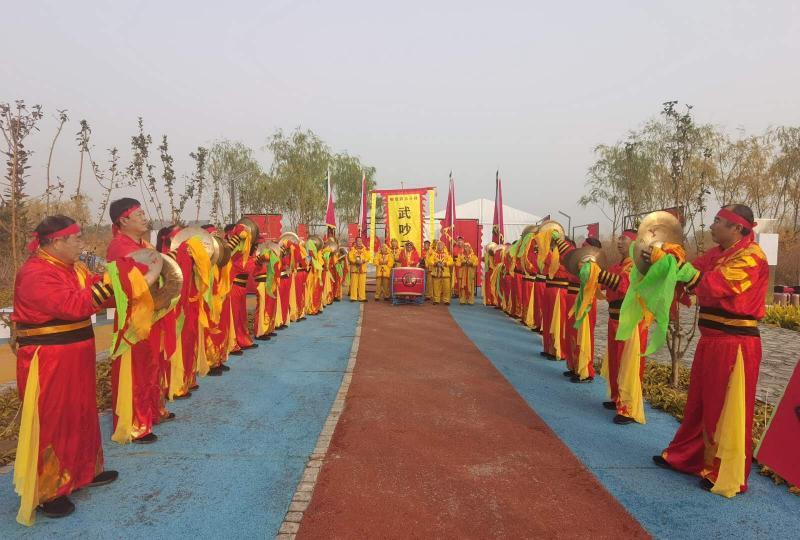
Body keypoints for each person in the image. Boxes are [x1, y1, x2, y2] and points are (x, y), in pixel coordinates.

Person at [654, 205, 768, 498]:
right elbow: (692, 269)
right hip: (712, 340)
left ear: (738, 229)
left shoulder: (752, 256)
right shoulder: (717, 254)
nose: (712, 225)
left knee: (727, 409)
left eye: (719, 221)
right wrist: (666, 258)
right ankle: (687, 458)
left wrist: (680, 270)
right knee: (700, 405)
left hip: (735, 344)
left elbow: (717, 285)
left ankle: (725, 472)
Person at [13, 216, 118, 524]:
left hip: (76, 354)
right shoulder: (35, 273)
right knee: (53, 419)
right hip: (49, 360)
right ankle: (49, 492)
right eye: (77, 239)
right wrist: (113, 283)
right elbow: (74, 305)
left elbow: (100, 295)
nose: (81, 244)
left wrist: (124, 282)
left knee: (82, 412)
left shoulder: (75, 269)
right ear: (56, 242)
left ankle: (84, 471)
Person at [106, 198, 162, 444]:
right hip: (131, 317)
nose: (144, 218)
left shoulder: (143, 244)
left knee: (148, 365)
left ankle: (148, 413)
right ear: (123, 220)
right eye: (138, 214)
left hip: (148, 311)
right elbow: (130, 285)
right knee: (133, 368)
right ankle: (133, 424)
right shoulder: (119, 247)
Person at [596, 230, 648, 422]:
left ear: (634, 243)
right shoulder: (617, 266)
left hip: (630, 321)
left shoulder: (637, 266)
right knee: (616, 361)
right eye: (619, 239)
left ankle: (629, 408)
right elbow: (604, 283)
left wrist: (599, 274)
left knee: (629, 364)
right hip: (614, 318)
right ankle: (618, 397)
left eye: (623, 239)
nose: (619, 242)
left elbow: (625, 285)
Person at [428, 240, 454, 305]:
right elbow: (429, 261)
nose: (440, 246)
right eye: (438, 245)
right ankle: (436, 300)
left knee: (446, 287)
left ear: (443, 246)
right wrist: (435, 263)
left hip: (445, 273)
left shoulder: (447, 254)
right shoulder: (433, 254)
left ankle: (446, 300)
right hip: (436, 273)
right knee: (436, 287)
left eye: (441, 245)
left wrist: (445, 263)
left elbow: (451, 261)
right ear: (437, 246)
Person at [348, 237, 370, 301]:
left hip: (362, 269)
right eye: (358, 241)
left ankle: (362, 297)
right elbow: (350, 257)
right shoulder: (352, 249)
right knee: (353, 284)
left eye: (360, 241)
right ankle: (353, 297)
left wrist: (363, 260)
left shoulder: (365, 249)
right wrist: (355, 261)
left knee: (362, 284)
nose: (359, 242)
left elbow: (368, 257)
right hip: (354, 269)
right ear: (356, 242)